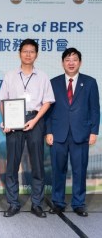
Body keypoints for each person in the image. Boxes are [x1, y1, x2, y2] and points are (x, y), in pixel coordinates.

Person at [0, 38, 55, 218]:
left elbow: (47, 102)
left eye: (32, 51)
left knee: (37, 164)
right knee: (12, 163)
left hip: (35, 119)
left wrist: (36, 119)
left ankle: (37, 204)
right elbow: (3, 100)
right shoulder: (10, 75)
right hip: (14, 119)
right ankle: (13, 203)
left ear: (36, 54)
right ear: (19, 53)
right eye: (25, 51)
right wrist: (7, 121)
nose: (28, 54)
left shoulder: (43, 76)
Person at [46, 48, 100, 217]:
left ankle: (78, 203)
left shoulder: (90, 82)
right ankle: (58, 202)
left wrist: (94, 131)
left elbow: (95, 109)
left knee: (80, 170)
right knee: (58, 170)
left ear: (80, 62)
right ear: (62, 63)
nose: (71, 63)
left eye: (74, 59)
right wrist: (48, 131)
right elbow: (48, 110)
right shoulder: (53, 82)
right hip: (58, 134)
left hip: (81, 134)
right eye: (67, 59)